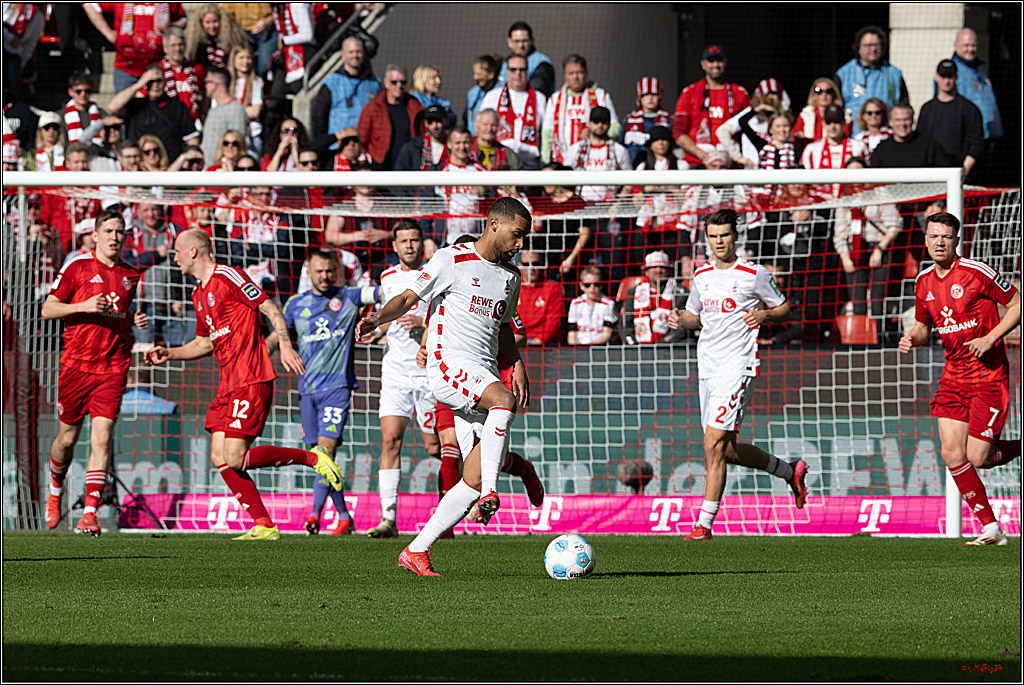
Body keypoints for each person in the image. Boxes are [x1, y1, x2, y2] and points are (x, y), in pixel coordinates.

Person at [355, 197, 532, 575]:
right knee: (503, 402)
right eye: (517, 235)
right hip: (448, 367)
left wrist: (516, 364)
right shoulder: (451, 259)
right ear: (494, 225)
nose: (520, 245)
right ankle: (491, 494)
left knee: (474, 473)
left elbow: (503, 330)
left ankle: (417, 550)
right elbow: (406, 297)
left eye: (524, 238)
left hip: (483, 372)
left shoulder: (511, 277)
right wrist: (376, 319)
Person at [145, 228, 347, 540]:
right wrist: (169, 353)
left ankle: (313, 458)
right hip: (228, 383)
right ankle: (264, 525)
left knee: (235, 456)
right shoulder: (199, 295)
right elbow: (203, 343)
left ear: (194, 252)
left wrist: (285, 344)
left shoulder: (229, 276)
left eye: (177, 252)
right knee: (218, 456)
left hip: (251, 376)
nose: (174, 258)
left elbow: (269, 308)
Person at [667, 208, 808, 540]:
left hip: (738, 366)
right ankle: (791, 472)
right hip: (708, 368)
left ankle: (703, 525)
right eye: (713, 237)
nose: (719, 242)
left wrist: (764, 315)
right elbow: (694, 316)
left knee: (711, 445)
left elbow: (785, 308)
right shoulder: (701, 275)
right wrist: (679, 319)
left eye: (725, 236)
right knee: (725, 450)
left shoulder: (753, 273)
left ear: (736, 237)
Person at [899, 212, 1020, 546]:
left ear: (956, 241)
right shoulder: (922, 281)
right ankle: (991, 529)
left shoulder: (976, 272)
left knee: (979, 457)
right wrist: (912, 338)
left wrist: (991, 337)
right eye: (935, 236)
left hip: (988, 376)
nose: (940, 242)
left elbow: (1017, 303)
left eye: (946, 237)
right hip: (953, 376)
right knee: (953, 454)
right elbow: (924, 328)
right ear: (925, 240)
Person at [41, 209, 148, 535]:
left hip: (113, 368)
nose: (115, 236)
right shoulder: (78, 266)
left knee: (102, 439)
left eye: (120, 231)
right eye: (110, 230)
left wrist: (132, 319)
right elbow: (48, 308)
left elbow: (119, 310)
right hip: (76, 366)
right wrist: (82, 306)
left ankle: (90, 512)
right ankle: (56, 490)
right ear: (96, 234)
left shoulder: (131, 274)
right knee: (67, 438)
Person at [269, 250, 378, 536]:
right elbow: (279, 331)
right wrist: (279, 345)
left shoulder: (350, 297)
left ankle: (315, 515)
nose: (324, 276)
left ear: (337, 272)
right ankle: (343, 516)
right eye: (318, 271)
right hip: (307, 390)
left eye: (329, 271)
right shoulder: (295, 304)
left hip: (337, 388)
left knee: (325, 452)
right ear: (309, 273)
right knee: (319, 458)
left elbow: (384, 291)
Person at [364, 222, 441, 538]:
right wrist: (376, 329)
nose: (409, 246)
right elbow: (389, 318)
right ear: (394, 246)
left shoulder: (436, 272)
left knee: (435, 447)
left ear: (423, 244)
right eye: (404, 241)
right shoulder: (387, 277)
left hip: (429, 371)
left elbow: (446, 315)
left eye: (414, 240)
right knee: (390, 439)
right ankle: (388, 518)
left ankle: (453, 510)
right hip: (395, 370)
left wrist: (422, 321)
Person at [832, 157, 901, 320]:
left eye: (859, 170)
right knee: (858, 302)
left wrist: (880, 249)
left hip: (877, 247)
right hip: (853, 250)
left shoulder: (879, 192)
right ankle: (860, 341)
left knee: (877, 301)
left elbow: (895, 224)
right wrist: (844, 256)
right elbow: (839, 231)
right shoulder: (844, 198)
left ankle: (879, 340)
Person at [672, 44, 750, 166]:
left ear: (725, 63)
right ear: (703, 64)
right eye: (711, 61)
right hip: (696, 164)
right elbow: (678, 133)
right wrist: (704, 156)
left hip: (729, 165)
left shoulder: (739, 93)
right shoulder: (689, 93)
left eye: (719, 61)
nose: (716, 65)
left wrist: (733, 157)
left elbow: (749, 132)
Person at [83, 2, 186, 92]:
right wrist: (108, 33)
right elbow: (90, 5)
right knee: (124, 110)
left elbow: (183, 20)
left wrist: (170, 25)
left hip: (157, 65)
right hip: (126, 67)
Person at [106, 63, 199, 162]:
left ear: (165, 82)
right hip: (140, 165)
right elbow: (112, 107)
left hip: (170, 166)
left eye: (159, 81)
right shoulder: (136, 105)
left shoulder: (178, 107)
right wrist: (140, 83)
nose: (155, 85)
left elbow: (192, 140)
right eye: (151, 81)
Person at [542, 54, 620, 164]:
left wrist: (596, 133)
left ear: (586, 73)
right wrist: (545, 163)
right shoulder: (554, 99)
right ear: (565, 75)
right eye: (571, 73)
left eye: (579, 72)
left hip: (594, 161)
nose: (575, 77)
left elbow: (615, 127)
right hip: (562, 162)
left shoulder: (600, 96)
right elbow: (547, 135)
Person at [916, 59, 985, 180]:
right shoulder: (927, 109)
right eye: (943, 77)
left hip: (959, 174)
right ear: (936, 77)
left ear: (956, 77)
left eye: (950, 77)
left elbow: (977, 144)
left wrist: (964, 171)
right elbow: (921, 142)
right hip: (932, 175)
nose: (946, 81)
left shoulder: (969, 109)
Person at [833, 25, 909, 135]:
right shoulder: (843, 75)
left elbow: (903, 105)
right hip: (854, 138)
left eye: (876, 45)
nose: (873, 49)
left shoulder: (894, 74)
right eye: (868, 45)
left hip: (886, 137)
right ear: (859, 48)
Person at [480, 54, 547, 170]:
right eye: (513, 69)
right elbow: (481, 130)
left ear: (528, 71)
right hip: (499, 166)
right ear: (506, 71)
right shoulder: (492, 96)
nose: (518, 73)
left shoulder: (539, 99)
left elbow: (546, 136)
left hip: (530, 168)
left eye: (522, 69)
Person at [311, 34, 381, 143]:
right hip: (339, 147)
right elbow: (319, 117)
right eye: (351, 52)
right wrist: (329, 141)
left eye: (358, 51)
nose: (355, 56)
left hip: (367, 145)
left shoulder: (375, 83)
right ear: (343, 55)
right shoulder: (331, 83)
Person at [357, 64, 424, 170]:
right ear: (386, 83)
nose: (399, 86)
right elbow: (362, 139)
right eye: (394, 82)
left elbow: (422, 136)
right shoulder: (372, 108)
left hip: (408, 166)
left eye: (403, 82)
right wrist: (365, 164)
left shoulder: (415, 107)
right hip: (380, 166)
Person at [717, 77, 790, 169]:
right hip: (751, 171)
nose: (771, 98)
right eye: (767, 94)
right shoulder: (749, 115)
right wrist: (738, 157)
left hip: (776, 171)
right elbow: (722, 131)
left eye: (774, 94)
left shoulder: (783, 119)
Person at [619, 250, 688, 345]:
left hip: (670, 347)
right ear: (646, 271)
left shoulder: (680, 292)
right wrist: (633, 345)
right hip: (638, 348)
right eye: (654, 267)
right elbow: (625, 324)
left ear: (668, 271)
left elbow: (681, 326)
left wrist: (660, 345)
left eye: (662, 267)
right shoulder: (633, 292)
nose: (658, 271)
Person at [433, 126, 487, 245]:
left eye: (465, 143)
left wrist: (484, 195)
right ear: (449, 144)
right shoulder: (439, 171)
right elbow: (428, 205)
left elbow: (492, 202)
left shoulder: (481, 171)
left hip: (475, 240)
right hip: (446, 241)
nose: (462, 147)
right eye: (457, 143)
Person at [949, 28, 1002, 143]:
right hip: (968, 136)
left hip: (987, 135)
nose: (970, 49)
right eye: (966, 45)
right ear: (956, 45)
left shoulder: (979, 70)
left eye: (973, 45)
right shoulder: (951, 72)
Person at [869, 104, 946, 169]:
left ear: (912, 120)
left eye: (906, 119)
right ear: (890, 122)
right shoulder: (881, 151)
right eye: (898, 120)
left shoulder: (930, 147)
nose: (902, 124)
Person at [200, 67, 250, 164]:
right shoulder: (213, 110)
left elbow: (238, 144)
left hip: (222, 171)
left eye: (206, 82)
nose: (205, 86)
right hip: (208, 169)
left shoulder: (235, 109)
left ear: (214, 84)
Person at [621, 76, 673, 167]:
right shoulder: (629, 120)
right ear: (639, 97)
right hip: (634, 168)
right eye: (645, 95)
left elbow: (675, 146)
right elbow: (621, 146)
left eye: (654, 94)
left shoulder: (669, 119)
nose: (650, 98)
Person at [517, 251, 563, 346]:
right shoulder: (512, 286)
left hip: (543, 344)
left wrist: (539, 340)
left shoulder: (553, 288)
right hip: (515, 342)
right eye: (526, 264)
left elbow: (554, 322)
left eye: (535, 264)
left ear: (542, 264)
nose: (531, 268)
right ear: (520, 265)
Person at [496, 21, 554, 97]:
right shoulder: (505, 64)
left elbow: (536, 95)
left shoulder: (542, 65)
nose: (521, 45)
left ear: (532, 40)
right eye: (517, 41)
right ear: (509, 42)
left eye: (524, 41)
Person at [160, 26, 205, 121]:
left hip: (193, 119)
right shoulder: (159, 69)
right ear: (165, 48)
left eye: (181, 44)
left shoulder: (196, 68)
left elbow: (204, 94)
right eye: (173, 45)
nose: (178, 49)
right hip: (168, 119)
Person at [185, 3, 248, 71]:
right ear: (201, 23)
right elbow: (197, 64)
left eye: (215, 21)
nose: (212, 26)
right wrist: (213, 68)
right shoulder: (197, 42)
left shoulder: (231, 38)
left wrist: (226, 67)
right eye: (207, 22)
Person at [229, 45, 265, 156]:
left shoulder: (257, 81)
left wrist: (231, 111)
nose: (246, 61)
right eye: (241, 58)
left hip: (252, 134)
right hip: (229, 135)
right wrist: (245, 110)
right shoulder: (227, 81)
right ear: (233, 59)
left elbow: (255, 111)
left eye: (248, 58)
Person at [567, 266, 617, 345]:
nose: (592, 287)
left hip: (600, 348)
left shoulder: (609, 304)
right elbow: (571, 336)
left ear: (601, 285)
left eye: (596, 284)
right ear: (581, 286)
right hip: (579, 348)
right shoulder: (575, 303)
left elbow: (606, 336)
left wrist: (589, 347)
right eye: (587, 285)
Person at [793, 77, 846, 147]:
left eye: (828, 91)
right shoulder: (805, 114)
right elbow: (795, 137)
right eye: (819, 91)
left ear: (833, 94)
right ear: (814, 95)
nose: (824, 95)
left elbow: (846, 136)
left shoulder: (843, 114)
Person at [394, 104, 450, 171]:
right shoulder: (412, 147)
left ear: (446, 121)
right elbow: (399, 173)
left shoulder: (455, 146)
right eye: (430, 122)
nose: (435, 126)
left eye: (438, 121)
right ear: (425, 123)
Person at [64, 71, 107, 145]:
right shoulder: (62, 115)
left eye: (87, 91)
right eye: (78, 91)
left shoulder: (101, 113)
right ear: (70, 92)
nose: (83, 94)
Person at [465, 54, 500, 136]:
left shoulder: (501, 93)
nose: (475, 77)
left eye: (479, 74)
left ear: (491, 74)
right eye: (474, 74)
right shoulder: (472, 93)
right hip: (474, 142)